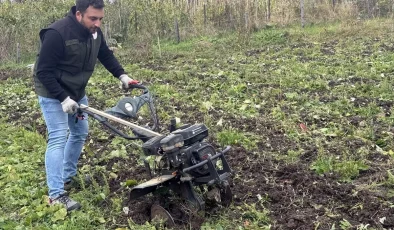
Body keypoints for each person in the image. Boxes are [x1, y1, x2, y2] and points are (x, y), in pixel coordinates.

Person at [33, 0, 135, 211]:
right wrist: (62, 98)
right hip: (52, 92)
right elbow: (43, 71)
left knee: (80, 132)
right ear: (79, 14)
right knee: (58, 136)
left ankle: (67, 177)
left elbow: (105, 54)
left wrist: (122, 75)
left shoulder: (95, 33)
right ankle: (55, 195)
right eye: (93, 18)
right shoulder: (57, 33)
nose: (97, 23)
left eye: (100, 19)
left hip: (77, 92)